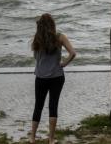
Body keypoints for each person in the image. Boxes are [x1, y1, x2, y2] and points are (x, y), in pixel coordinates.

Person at [30, 13, 76, 144]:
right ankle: (51, 139)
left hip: (40, 77)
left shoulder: (37, 39)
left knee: (38, 106)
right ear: (52, 24)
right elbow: (73, 53)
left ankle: (32, 137)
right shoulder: (60, 37)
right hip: (57, 76)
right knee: (53, 106)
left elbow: (36, 58)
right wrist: (64, 63)